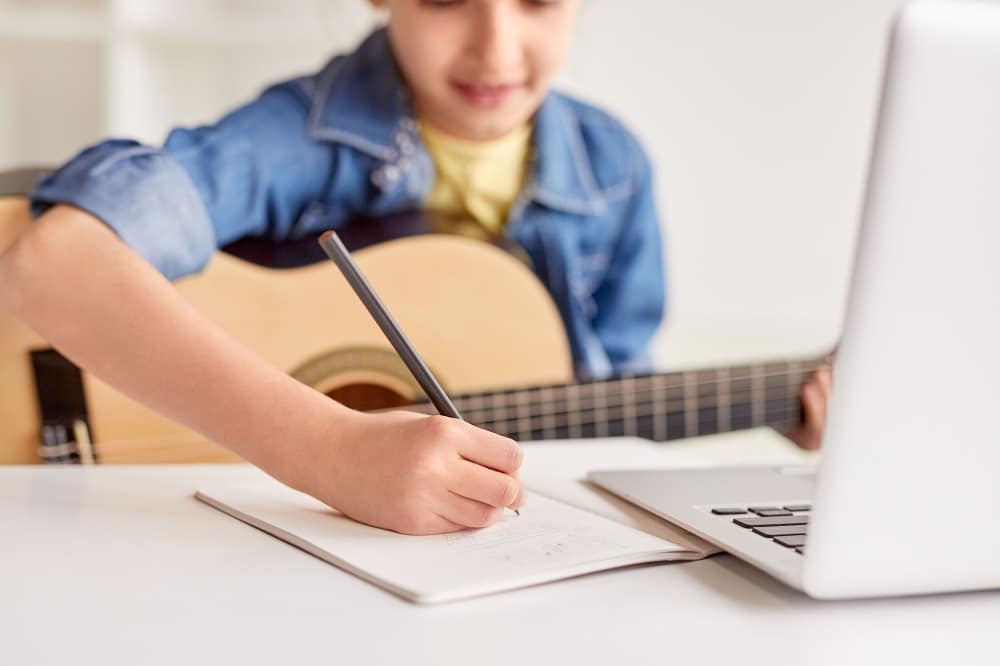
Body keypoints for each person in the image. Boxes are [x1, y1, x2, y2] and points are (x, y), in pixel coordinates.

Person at [0, 0, 830, 535]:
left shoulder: (615, 168)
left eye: (538, 1)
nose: (496, 46)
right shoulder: (299, 138)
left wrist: (783, 410)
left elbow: (616, 407)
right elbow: (54, 262)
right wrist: (328, 447)